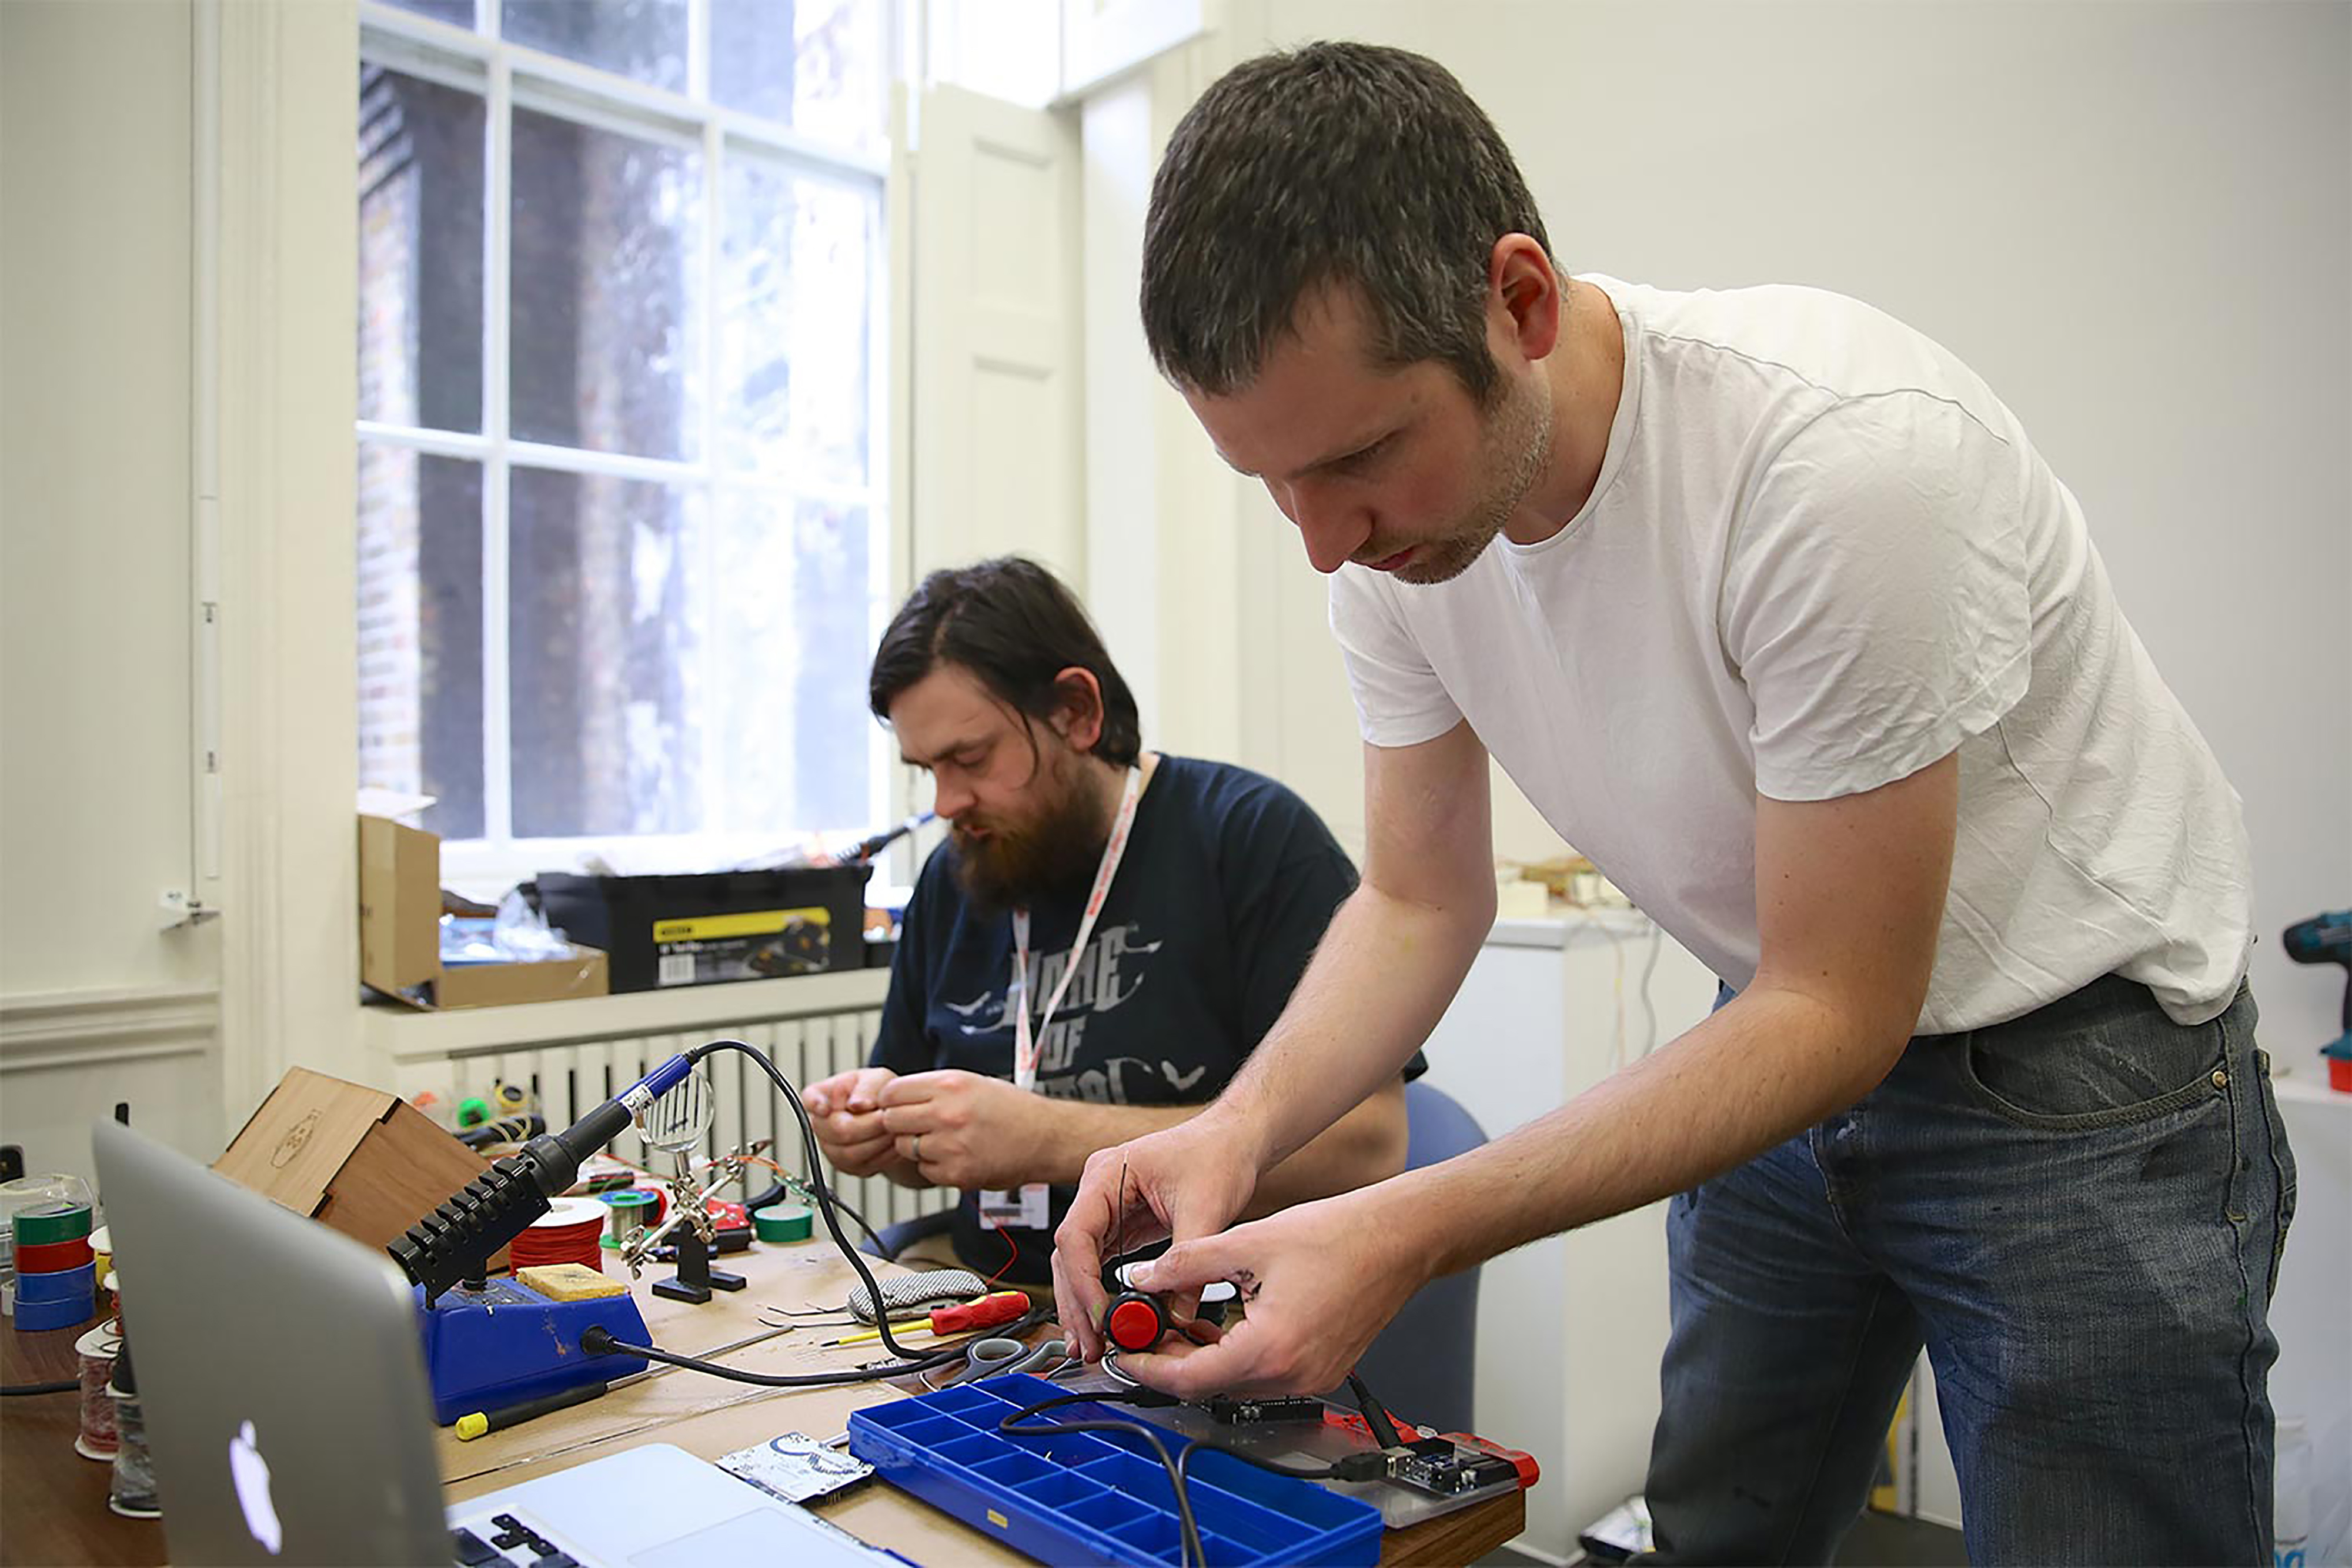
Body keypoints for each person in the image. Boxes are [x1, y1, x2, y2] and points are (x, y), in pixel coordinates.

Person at [1049, 41, 2293, 1564]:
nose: (1322, 542)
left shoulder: (1837, 464)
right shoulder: (1388, 543)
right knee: (1718, 1529)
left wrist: (1411, 1221)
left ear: (1517, 303)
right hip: (1770, 1026)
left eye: (1360, 457)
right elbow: (1422, 897)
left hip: (2079, 1073)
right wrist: (1233, 1131)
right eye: (1273, 483)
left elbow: (1842, 1005)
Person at [803, 556, 1412, 1288]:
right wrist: (878, 1134)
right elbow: (925, 1149)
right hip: (983, 1303)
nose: (946, 803)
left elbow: (1368, 1144)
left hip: (1198, 1306)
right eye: (926, 768)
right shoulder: (955, 874)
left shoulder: (1249, 838)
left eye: (969, 757)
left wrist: (1049, 1139)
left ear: (1078, 712)